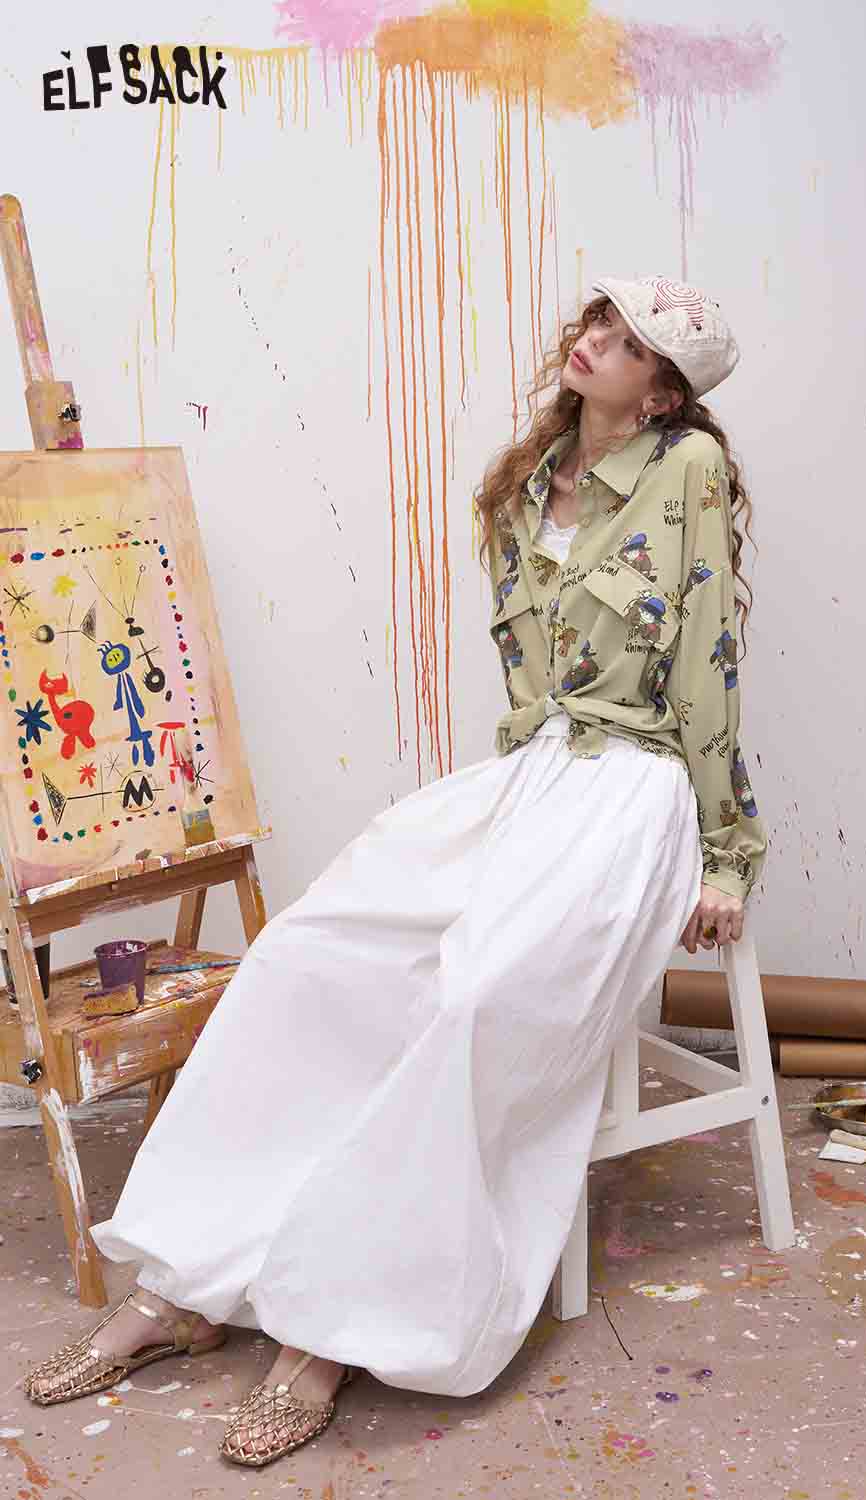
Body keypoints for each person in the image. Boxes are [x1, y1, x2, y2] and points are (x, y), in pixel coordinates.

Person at [22, 274, 767, 1469]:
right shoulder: (521, 486)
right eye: (597, 319)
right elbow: (531, 686)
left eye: (626, 342)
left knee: (470, 1000)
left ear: (663, 392)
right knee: (308, 953)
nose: (592, 340)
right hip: (530, 779)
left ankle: (329, 1331)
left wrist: (727, 853)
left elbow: (709, 666)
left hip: (633, 790)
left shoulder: (686, 470)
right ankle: (184, 1284)